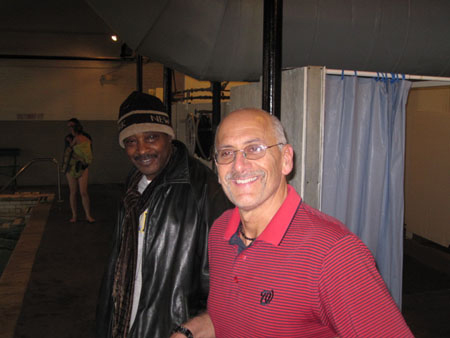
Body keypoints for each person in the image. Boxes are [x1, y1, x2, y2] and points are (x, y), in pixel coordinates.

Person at [172, 108, 414, 338]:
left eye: (254, 148)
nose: (238, 165)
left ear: (286, 159)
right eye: (226, 153)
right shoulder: (220, 232)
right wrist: (186, 333)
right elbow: (229, 318)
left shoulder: (334, 253)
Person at [96, 91, 232, 338]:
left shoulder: (204, 189)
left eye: (151, 138)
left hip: (172, 328)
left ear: (169, 137)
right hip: (126, 322)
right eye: (131, 142)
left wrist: (190, 330)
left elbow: (221, 277)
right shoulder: (132, 186)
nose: (141, 150)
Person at [62, 118, 95, 223]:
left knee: (83, 192)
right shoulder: (69, 138)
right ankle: (74, 215)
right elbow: (69, 152)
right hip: (71, 167)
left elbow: (88, 152)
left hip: (82, 167)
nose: (70, 128)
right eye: (69, 126)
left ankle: (88, 215)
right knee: (73, 191)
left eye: (72, 126)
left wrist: (84, 161)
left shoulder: (85, 137)